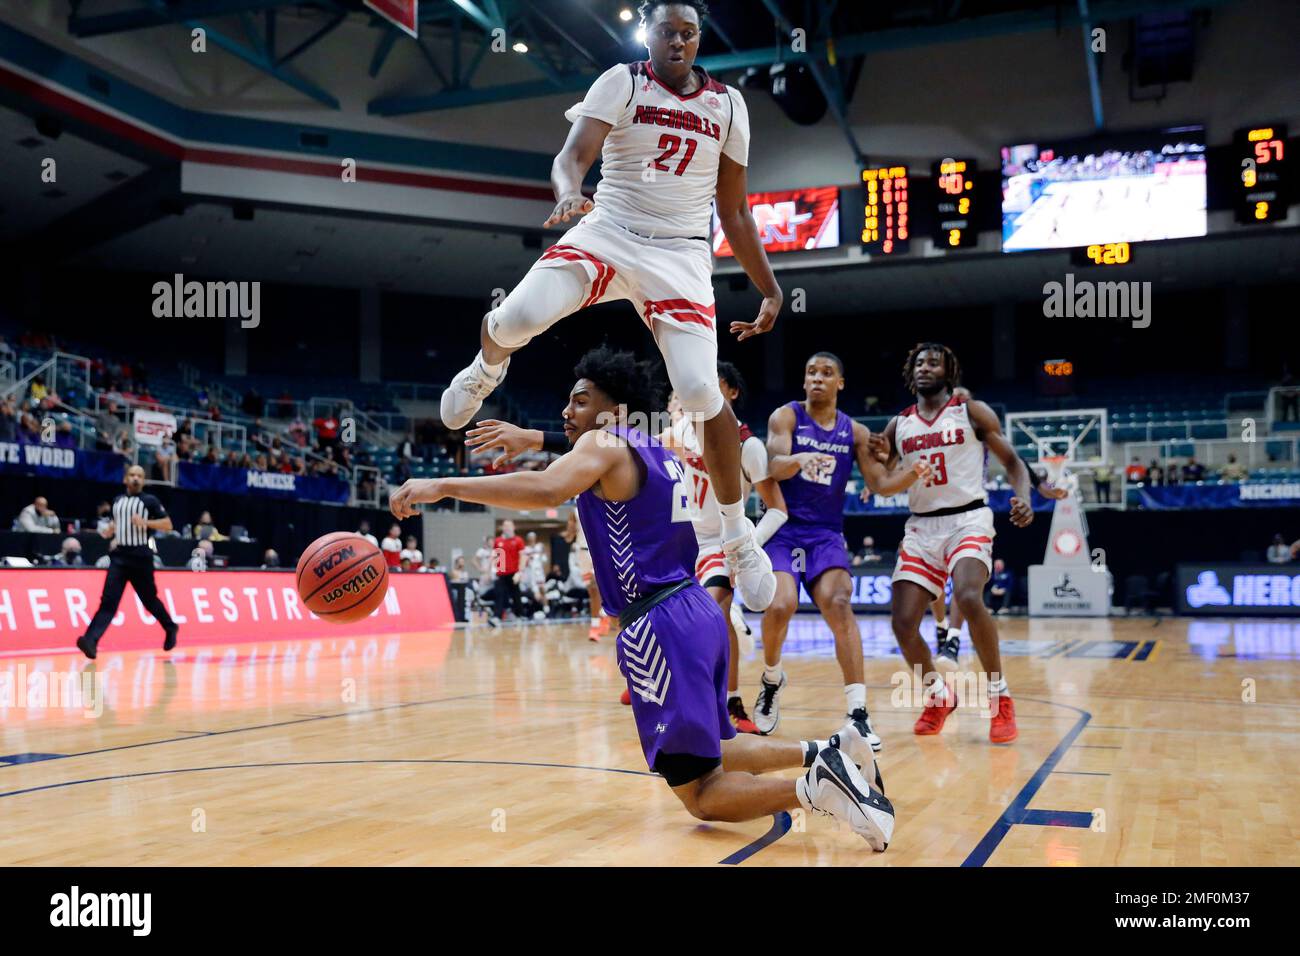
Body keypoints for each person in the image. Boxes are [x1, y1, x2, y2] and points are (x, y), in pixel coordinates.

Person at [391, 345, 893, 849]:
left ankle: (819, 787)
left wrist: (442, 485)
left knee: (701, 793)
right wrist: (537, 437)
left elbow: (546, 490)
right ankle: (828, 750)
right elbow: (581, 453)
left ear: (613, 410)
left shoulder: (605, 444)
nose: (567, 410)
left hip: (658, 623)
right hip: (696, 608)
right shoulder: (654, 447)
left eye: (580, 400)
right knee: (717, 745)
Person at [437, 0, 780, 616]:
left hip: (680, 252)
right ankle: (486, 369)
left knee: (700, 391)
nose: (678, 42)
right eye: (667, 31)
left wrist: (771, 288)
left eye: (689, 33)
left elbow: (734, 211)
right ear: (648, 33)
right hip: (609, 229)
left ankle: (736, 537)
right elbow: (571, 157)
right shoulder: (622, 80)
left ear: (699, 38)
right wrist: (570, 194)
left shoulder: (730, 105)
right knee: (514, 320)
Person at [752, 352, 929, 745]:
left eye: (827, 373)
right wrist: (797, 459)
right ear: (804, 381)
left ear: (840, 383)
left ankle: (858, 712)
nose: (818, 378)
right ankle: (772, 678)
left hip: (826, 534)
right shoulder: (787, 416)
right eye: (811, 372)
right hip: (784, 529)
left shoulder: (856, 432)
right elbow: (772, 466)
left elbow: (881, 484)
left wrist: (912, 473)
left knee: (839, 603)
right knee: (780, 605)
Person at [877, 343, 1034, 745]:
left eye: (934, 362)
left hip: (968, 518)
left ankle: (999, 697)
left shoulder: (971, 412)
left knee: (966, 595)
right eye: (919, 362)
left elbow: (1013, 462)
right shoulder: (899, 424)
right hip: (921, 525)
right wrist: (874, 462)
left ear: (949, 372)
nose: (925, 368)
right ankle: (938, 695)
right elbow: (882, 474)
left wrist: (1024, 498)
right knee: (902, 622)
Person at [655, 364, 787, 734]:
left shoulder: (749, 445)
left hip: (720, 543)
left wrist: (746, 546)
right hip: (682, 540)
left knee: (709, 615)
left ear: (731, 392)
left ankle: (727, 702)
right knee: (674, 620)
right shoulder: (683, 428)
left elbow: (778, 509)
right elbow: (640, 447)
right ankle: (679, 694)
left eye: (713, 383)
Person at [76, 465, 178, 659]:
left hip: (141, 557)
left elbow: (168, 524)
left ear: (143, 480)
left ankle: (170, 627)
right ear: (125, 479)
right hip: (119, 557)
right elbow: (117, 523)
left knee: (149, 601)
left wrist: (145, 523)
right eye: (132, 475)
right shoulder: (117, 501)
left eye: (139, 476)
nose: (135, 478)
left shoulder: (150, 501)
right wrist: (111, 530)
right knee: (108, 602)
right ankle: (90, 640)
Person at [491, 519, 527, 623]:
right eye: (505, 526)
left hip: (514, 573)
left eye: (509, 526)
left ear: (513, 527)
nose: (507, 528)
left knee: (516, 594)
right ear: (502, 528)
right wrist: (493, 569)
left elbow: (523, 556)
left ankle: (520, 615)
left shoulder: (518, 540)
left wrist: (520, 572)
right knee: (499, 594)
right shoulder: (498, 541)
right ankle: (497, 616)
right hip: (501, 573)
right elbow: (495, 556)